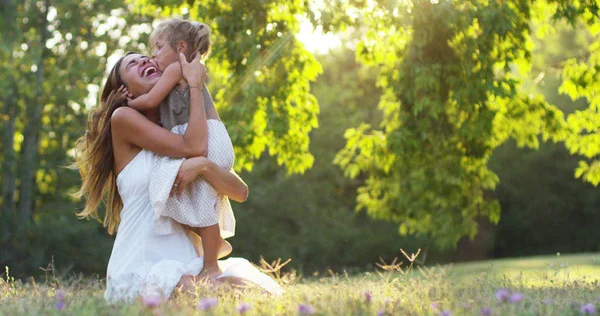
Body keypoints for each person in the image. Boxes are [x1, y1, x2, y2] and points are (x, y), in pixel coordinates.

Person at [73, 52, 283, 302]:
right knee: (227, 291)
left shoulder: (179, 129)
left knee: (254, 291)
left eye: (147, 57)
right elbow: (193, 147)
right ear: (124, 89)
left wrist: (204, 166)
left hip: (191, 266)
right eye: (132, 63)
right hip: (143, 266)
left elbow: (240, 191)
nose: (145, 61)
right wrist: (194, 85)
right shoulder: (123, 119)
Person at [124, 19, 234, 280]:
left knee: (200, 201)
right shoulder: (187, 69)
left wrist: (129, 102)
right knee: (195, 199)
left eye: (159, 47)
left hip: (210, 140)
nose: (153, 54)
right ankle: (211, 247)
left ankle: (211, 265)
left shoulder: (176, 69)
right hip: (214, 137)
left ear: (181, 46)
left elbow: (151, 99)